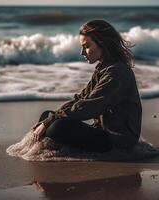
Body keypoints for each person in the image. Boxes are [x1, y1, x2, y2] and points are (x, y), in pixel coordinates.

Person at [30, 19, 142, 152]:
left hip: (119, 139)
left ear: (102, 43)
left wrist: (51, 120)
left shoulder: (117, 72)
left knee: (56, 127)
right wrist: (50, 118)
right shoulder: (104, 67)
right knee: (47, 115)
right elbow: (81, 99)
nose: (82, 52)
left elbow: (89, 106)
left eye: (87, 46)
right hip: (102, 130)